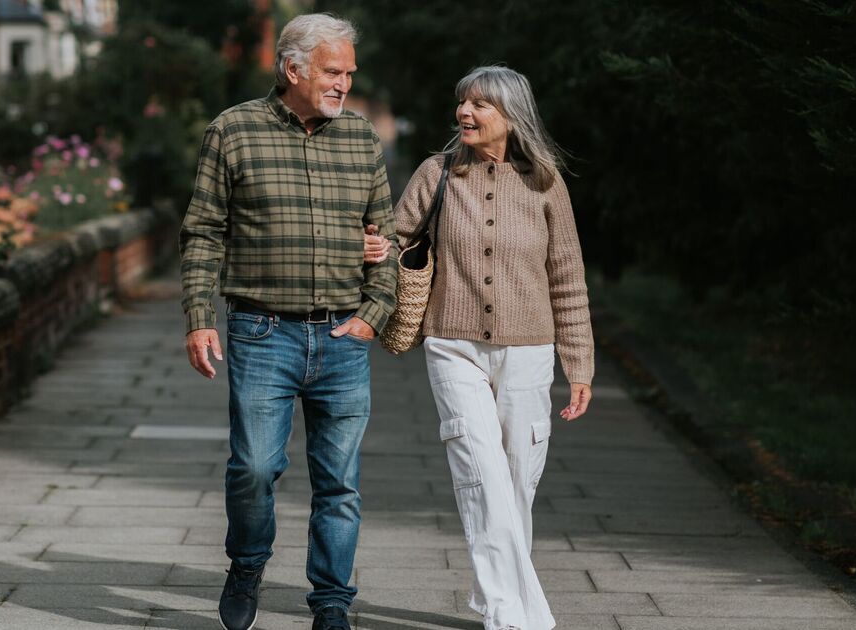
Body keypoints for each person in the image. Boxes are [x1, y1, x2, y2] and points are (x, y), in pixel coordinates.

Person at [179, 13, 397, 630]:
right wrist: (199, 318)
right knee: (253, 468)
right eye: (333, 71)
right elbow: (202, 232)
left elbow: (387, 232)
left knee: (340, 484)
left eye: (350, 72)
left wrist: (374, 314)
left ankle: (331, 604)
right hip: (261, 332)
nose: (344, 83)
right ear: (292, 68)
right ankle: (247, 563)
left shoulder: (360, 138)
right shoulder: (233, 131)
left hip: (342, 337)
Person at [391, 66, 594, 630]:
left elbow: (568, 279)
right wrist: (377, 250)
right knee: (480, 472)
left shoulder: (546, 183)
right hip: (451, 346)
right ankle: (514, 616)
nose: (465, 113)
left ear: (511, 115)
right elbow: (396, 238)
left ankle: (494, 597)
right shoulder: (437, 173)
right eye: (462, 102)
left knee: (516, 479)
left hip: (529, 350)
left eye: (480, 104)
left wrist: (579, 364)